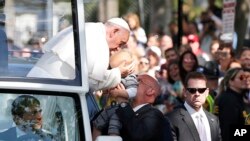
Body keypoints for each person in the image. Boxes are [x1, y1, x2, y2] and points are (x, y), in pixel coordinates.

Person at [27, 17, 133, 91]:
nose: (119, 48)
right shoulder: (99, 40)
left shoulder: (89, 28)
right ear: (114, 31)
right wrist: (118, 72)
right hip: (46, 88)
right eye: (121, 43)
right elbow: (92, 82)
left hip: (40, 82)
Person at [92, 49, 138, 138]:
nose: (111, 71)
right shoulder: (117, 77)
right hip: (109, 108)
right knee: (97, 123)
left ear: (124, 65)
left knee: (114, 125)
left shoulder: (130, 78)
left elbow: (134, 91)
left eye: (112, 68)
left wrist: (120, 93)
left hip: (119, 110)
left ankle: (113, 138)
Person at [115, 74, 173, 141]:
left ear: (150, 91)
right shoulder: (122, 109)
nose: (131, 82)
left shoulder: (154, 114)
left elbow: (139, 135)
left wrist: (123, 104)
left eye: (138, 81)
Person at [166, 72, 221, 141]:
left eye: (201, 90)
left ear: (206, 92)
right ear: (185, 92)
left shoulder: (214, 120)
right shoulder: (171, 119)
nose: (197, 94)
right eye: (192, 90)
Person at [214, 68, 249, 141]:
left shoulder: (238, 97)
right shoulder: (229, 100)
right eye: (241, 77)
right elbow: (229, 131)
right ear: (231, 81)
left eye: (246, 77)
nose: (245, 79)